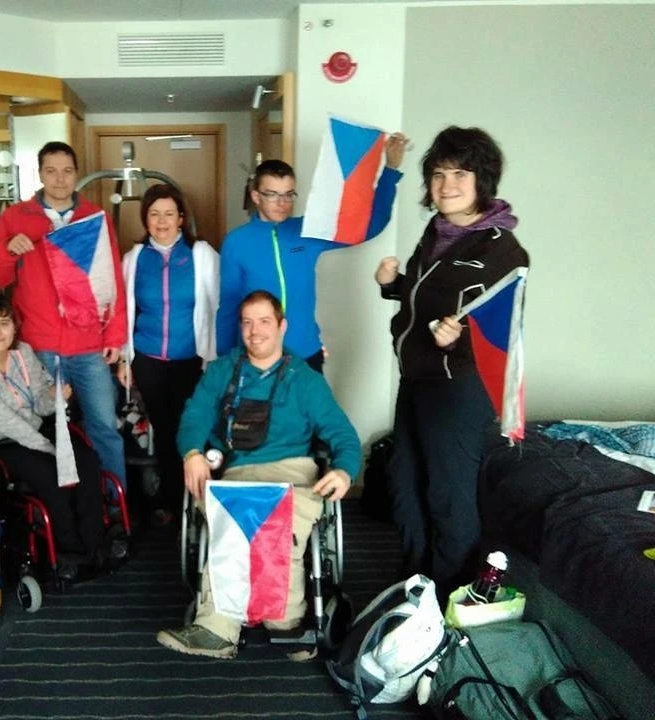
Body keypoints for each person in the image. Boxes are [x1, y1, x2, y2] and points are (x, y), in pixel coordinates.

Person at [156, 290, 361, 658]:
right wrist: (192, 453)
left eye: (265, 321)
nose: (255, 331)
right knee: (237, 512)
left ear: (281, 326)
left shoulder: (305, 379)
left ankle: (284, 621)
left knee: (271, 517)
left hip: (293, 472)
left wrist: (345, 471)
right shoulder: (221, 371)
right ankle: (218, 629)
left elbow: (342, 434)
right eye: (247, 323)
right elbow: (195, 416)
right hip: (238, 472)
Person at [374, 126, 529, 602]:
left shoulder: (503, 251)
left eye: (460, 173)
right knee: (405, 486)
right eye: (439, 174)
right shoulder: (438, 232)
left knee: (448, 497)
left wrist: (458, 342)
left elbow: (502, 333)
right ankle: (413, 585)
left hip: (458, 387)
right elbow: (432, 296)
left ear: (482, 179)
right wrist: (393, 284)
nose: (447, 185)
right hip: (416, 379)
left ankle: (446, 600)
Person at [0, 141, 129, 492]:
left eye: (67, 171)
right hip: (39, 346)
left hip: (88, 345)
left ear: (76, 174)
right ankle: (58, 506)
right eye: (51, 171)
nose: (60, 179)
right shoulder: (16, 218)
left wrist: (114, 336)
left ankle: (113, 504)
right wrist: (7, 250)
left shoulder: (95, 217)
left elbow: (112, 281)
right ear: (40, 174)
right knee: (44, 429)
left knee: (104, 427)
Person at [0, 292, 124, 577]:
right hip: (0, 442)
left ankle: (95, 544)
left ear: (14, 326)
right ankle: (69, 553)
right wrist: (51, 450)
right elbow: (9, 423)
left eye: (3, 323)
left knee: (87, 460)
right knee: (52, 473)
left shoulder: (22, 353)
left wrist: (55, 396)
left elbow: (40, 403)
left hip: (36, 428)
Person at [216, 134, 409, 372]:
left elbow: (370, 225)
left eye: (288, 194)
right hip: (256, 357)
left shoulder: (307, 230)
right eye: (272, 194)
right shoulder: (236, 242)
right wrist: (224, 364)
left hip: (305, 354)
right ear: (256, 196)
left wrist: (390, 170)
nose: (282, 202)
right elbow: (229, 307)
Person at [117, 184, 219, 526]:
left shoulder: (201, 254)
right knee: (164, 429)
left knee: (193, 426)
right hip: (148, 360)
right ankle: (173, 503)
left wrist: (217, 359)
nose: (162, 221)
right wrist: (124, 359)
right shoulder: (133, 259)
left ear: (181, 219)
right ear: (145, 219)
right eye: (154, 214)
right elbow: (122, 312)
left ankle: (199, 498)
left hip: (192, 359)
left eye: (169, 214)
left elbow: (220, 305)